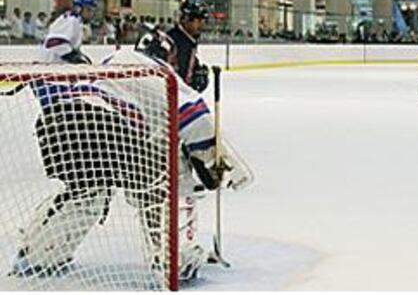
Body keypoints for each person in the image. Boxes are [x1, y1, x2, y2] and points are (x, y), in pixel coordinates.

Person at [11, 28, 252, 282]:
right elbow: (195, 118)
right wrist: (221, 165)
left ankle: (39, 255)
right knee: (164, 180)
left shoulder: (113, 60)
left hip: (59, 124)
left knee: (87, 191)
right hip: (110, 126)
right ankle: (175, 259)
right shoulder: (160, 72)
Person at [38, 0, 97, 64]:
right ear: (78, 9)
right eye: (89, 10)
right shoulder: (69, 20)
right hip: (53, 65)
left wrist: (78, 55)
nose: (91, 14)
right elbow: (55, 43)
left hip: (58, 64)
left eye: (93, 11)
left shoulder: (76, 21)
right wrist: (73, 58)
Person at [167, 0, 210, 93]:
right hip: (171, 99)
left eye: (203, 21)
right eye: (198, 20)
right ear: (186, 19)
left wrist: (196, 73)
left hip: (180, 97)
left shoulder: (189, 40)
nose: (202, 25)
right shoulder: (172, 41)